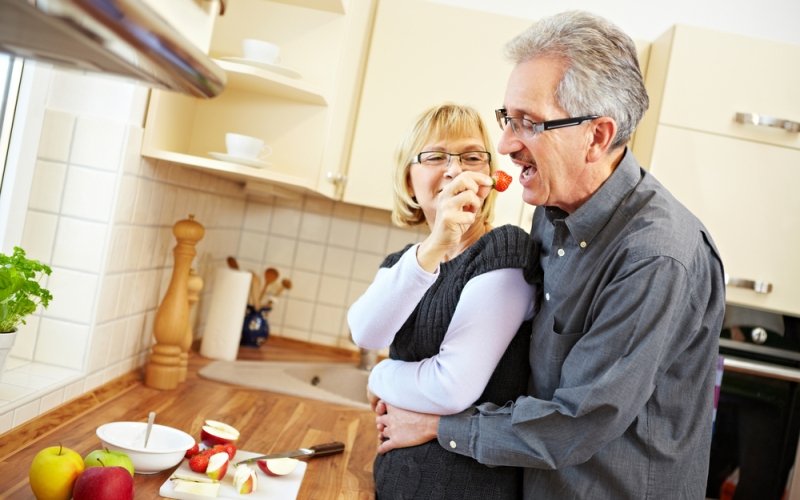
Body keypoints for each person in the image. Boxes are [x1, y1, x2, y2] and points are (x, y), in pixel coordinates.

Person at [374, 11, 726, 500]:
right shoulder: (552, 207)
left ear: (597, 136)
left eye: (529, 123)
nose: (505, 144)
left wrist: (437, 424)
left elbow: (580, 420)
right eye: (507, 118)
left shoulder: (656, 257)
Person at [348, 103, 538, 498]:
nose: (454, 170)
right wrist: (435, 245)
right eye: (435, 157)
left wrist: (380, 377)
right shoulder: (402, 264)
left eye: (471, 157)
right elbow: (365, 333)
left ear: (490, 178)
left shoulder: (504, 250)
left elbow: (451, 388)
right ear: (408, 181)